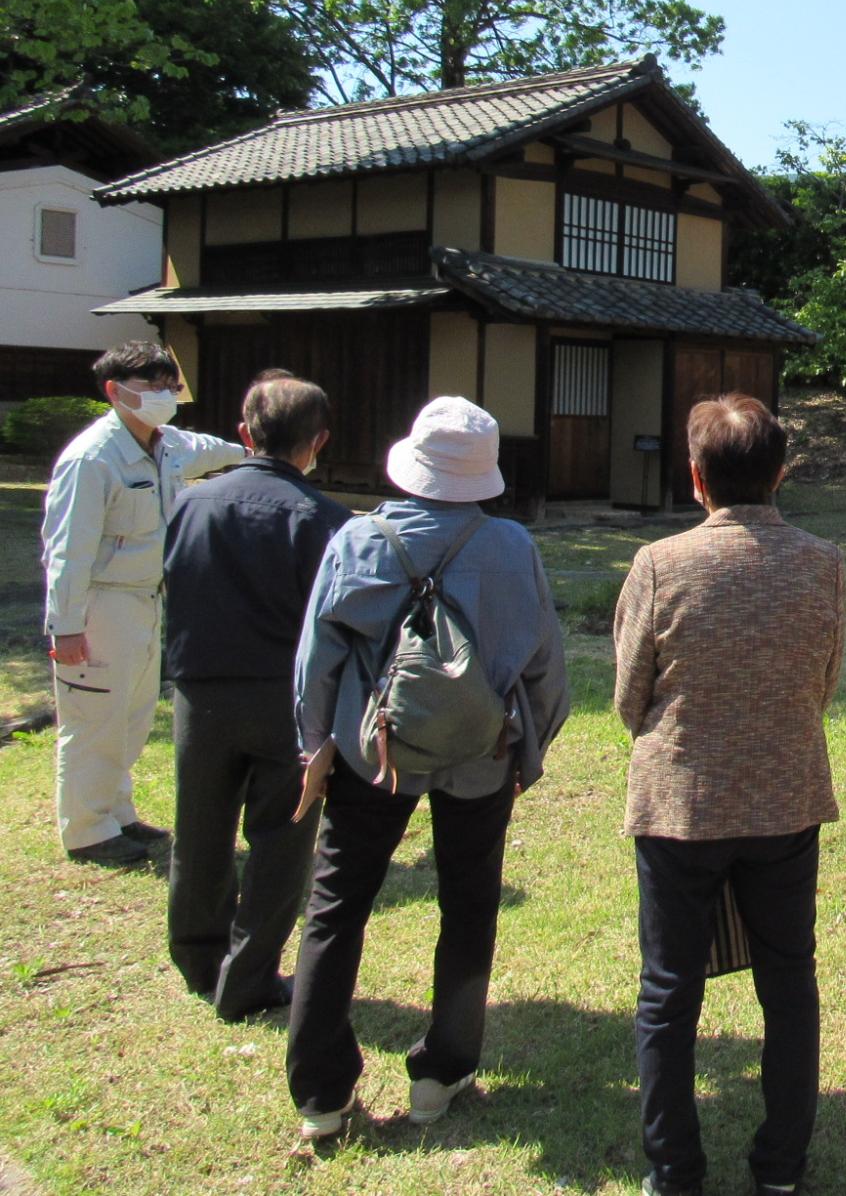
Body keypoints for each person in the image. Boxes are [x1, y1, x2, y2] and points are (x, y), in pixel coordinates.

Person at [286, 396, 568, 1142]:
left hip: (369, 756)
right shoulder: (513, 547)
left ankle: (321, 1096)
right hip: (482, 755)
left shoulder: (359, 539)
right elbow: (546, 668)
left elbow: (318, 661)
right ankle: (443, 1074)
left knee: (336, 912)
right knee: (469, 909)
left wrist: (315, 746)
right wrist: (529, 752)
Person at [612, 393, 846, 1196]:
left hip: (681, 801)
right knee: (789, 982)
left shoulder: (660, 565)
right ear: (780, 474)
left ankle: (674, 1172)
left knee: (668, 989)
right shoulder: (822, 561)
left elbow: (626, 695)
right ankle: (780, 1168)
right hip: (785, 795)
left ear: (695, 478)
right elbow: (824, 682)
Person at [163, 371, 349, 1021]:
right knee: (282, 834)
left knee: (200, 827)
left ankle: (196, 955)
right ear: (318, 441)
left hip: (200, 685)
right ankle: (248, 975)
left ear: (244, 435)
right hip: (283, 694)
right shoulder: (327, 520)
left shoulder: (189, 503)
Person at [40, 340, 244, 866]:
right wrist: (65, 628)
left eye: (168, 385)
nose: (164, 395)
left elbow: (212, 451)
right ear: (115, 391)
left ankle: (118, 813)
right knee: (93, 720)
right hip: (101, 605)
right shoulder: (92, 459)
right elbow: (68, 550)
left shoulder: (167, 444)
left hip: (147, 602)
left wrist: (257, 454)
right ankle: (87, 831)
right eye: (151, 386)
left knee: (130, 716)